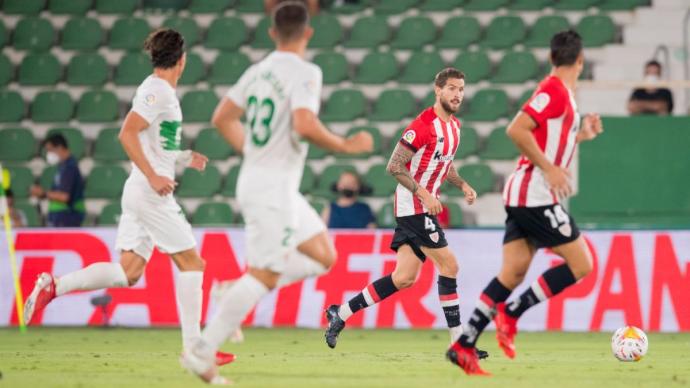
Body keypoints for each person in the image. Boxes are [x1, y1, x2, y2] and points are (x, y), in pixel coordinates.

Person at [180, 2, 372, 384]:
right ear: (308, 33)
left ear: (272, 33)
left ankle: (233, 290)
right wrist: (346, 146)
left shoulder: (257, 71)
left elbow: (222, 118)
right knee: (265, 275)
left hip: (270, 182)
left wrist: (254, 153)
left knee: (323, 256)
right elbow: (304, 123)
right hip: (271, 187)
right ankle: (200, 353)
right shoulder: (306, 72)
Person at [22, 28, 235, 367]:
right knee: (193, 264)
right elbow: (128, 133)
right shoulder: (157, 91)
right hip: (149, 193)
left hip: (139, 191)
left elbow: (156, 143)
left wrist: (181, 158)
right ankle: (195, 348)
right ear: (182, 61)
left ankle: (54, 286)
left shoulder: (160, 91)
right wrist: (154, 175)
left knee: (128, 273)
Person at [447, 30, 603, 376]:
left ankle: (463, 345)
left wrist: (581, 136)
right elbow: (517, 130)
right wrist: (549, 171)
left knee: (513, 272)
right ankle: (512, 313)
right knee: (582, 264)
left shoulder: (562, 96)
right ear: (580, 61)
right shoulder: (554, 91)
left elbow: (549, 142)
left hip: (525, 193)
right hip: (533, 194)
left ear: (551, 58)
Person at [323, 67, 486, 357]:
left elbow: (443, 163)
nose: (457, 94)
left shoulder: (455, 127)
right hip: (414, 208)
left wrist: (462, 184)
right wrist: (424, 193)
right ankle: (460, 345)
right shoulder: (422, 125)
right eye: (451, 88)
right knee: (450, 266)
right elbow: (394, 165)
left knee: (403, 278)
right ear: (437, 90)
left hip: (422, 209)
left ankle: (341, 313)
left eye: (461, 89)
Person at [30, 134, 85, 227]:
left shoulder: (70, 167)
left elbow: (64, 196)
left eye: (50, 150)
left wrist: (43, 193)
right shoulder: (63, 166)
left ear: (59, 147)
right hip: (62, 216)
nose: (48, 154)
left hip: (67, 216)